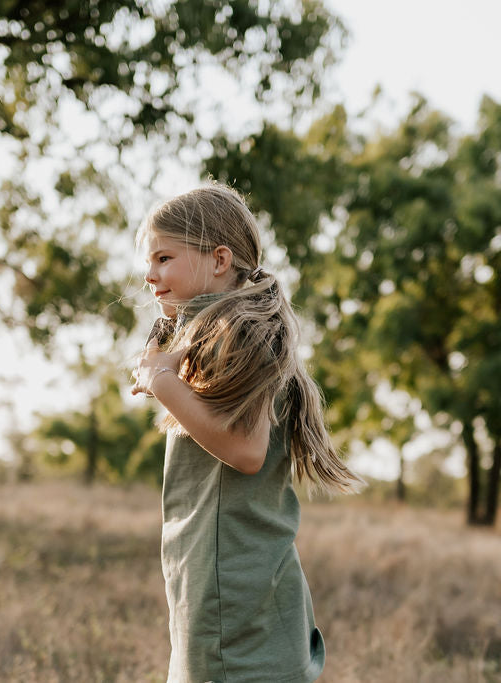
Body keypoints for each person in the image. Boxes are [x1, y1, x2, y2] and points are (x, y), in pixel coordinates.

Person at [130, 183, 364, 683]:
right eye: (149, 262)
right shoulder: (220, 332)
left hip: (232, 590)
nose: (150, 276)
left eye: (164, 258)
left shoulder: (239, 332)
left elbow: (247, 451)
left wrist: (163, 381)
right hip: (234, 581)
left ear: (219, 259)